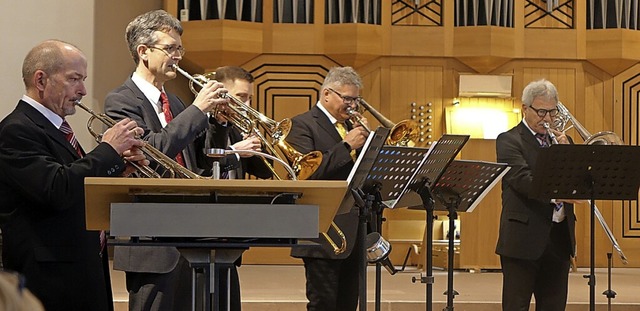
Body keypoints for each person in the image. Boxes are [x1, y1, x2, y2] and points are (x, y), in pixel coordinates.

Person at [103, 9, 237, 311]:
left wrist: (220, 124)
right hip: (151, 239)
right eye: (170, 48)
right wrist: (198, 110)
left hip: (190, 235)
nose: (178, 55)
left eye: (180, 48)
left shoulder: (175, 102)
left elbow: (202, 161)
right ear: (143, 52)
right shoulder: (120, 100)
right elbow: (150, 152)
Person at [0, 39, 147, 311]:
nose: (82, 90)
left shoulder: (55, 127)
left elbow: (76, 186)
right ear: (41, 80)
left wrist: (118, 169)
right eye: (74, 79)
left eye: (83, 79)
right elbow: (57, 188)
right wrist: (108, 150)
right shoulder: (16, 130)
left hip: (79, 271)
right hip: (50, 281)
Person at [285, 66, 370, 311]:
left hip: (354, 228)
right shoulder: (300, 125)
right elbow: (307, 173)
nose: (352, 105)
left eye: (356, 99)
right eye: (347, 98)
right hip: (321, 230)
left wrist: (368, 143)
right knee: (323, 303)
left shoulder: (351, 127)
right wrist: (346, 145)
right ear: (326, 95)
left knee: (347, 303)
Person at [495, 78, 579, 311]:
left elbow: (578, 180)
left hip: (559, 238)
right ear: (525, 108)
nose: (548, 119)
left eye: (552, 112)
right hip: (523, 238)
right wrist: (558, 193)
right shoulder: (509, 140)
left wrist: (567, 152)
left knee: (554, 306)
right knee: (516, 305)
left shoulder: (563, 142)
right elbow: (523, 180)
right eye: (541, 112)